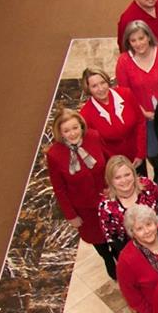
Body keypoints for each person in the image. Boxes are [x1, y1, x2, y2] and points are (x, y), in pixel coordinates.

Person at [45, 109, 115, 278]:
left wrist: (114, 186)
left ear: (81, 126)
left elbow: (111, 162)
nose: (72, 133)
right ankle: (108, 260)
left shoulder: (94, 137)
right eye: (66, 131)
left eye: (75, 128)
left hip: (107, 199)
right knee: (99, 240)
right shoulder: (54, 155)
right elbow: (59, 189)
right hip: (84, 209)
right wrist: (71, 215)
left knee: (116, 233)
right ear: (60, 133)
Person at [115, 20, 158, 185]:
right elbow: (124, 92)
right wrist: (142, 112)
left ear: (149, 37)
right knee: (151, 148)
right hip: (142, 115)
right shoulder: (123, 62)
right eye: (133, 40)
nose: (138, 44)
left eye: (141, 38)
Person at [98, 155, 158, 258]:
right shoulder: (106, 206)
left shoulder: (148, 186)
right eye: (118, 177)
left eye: (127, 174)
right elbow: (113, 239)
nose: (124, 181)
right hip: (134, 253)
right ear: (110, 180)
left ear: (133, 173)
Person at [79, 67, 145, 171]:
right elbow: (95, 146)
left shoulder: (126, 94)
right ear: (88, 89)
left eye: (102, 82)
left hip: (137, 155)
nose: (101, 89)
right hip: (113, 164)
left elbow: (140, 122)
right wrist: (114, 164)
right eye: (94, 86)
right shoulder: (85, 114)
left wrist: (140, 153)